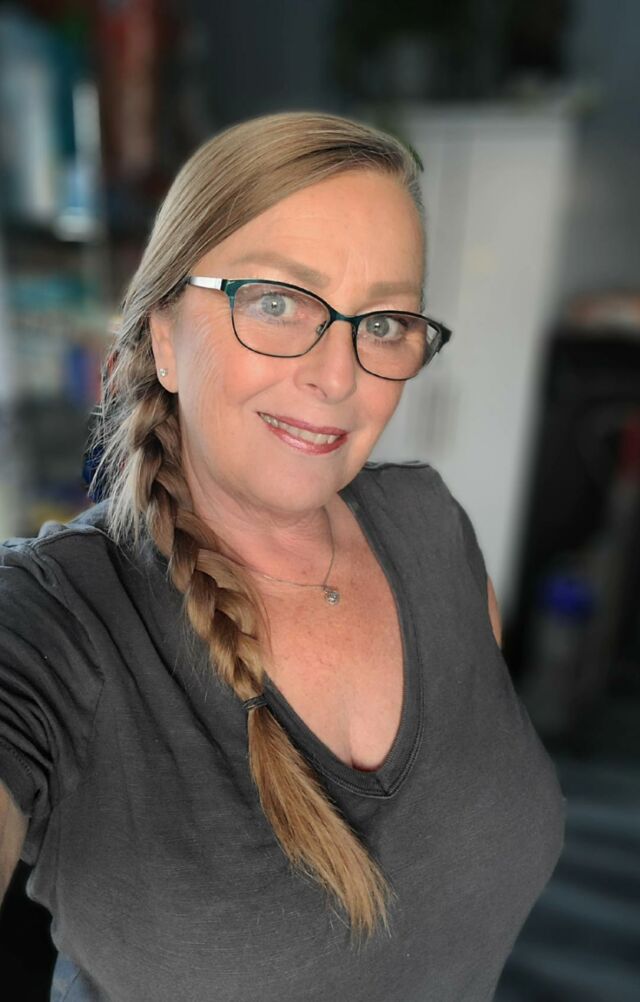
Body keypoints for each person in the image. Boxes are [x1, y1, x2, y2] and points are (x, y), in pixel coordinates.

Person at [0, 111, 565, 1001]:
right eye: (275, 301)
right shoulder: (51, 619)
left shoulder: (432, 526)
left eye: (384, 322)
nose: (338, 377)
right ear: (164, 336)